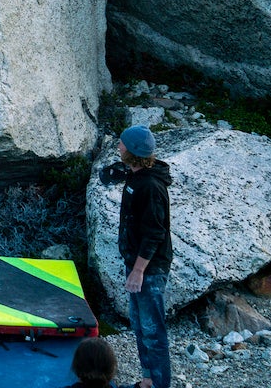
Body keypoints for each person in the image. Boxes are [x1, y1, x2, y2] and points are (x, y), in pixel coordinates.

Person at [117, 125, 173, 388]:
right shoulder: (138, 175)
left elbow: (155, 234)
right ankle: (147, 381)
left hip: (149, 269)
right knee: (140, 328)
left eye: (122, 143)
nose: (119, 145)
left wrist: (138, 271)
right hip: (135, 264)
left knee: (153, 332)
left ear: (133, 151)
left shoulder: (151, 186)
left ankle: (160, 385)